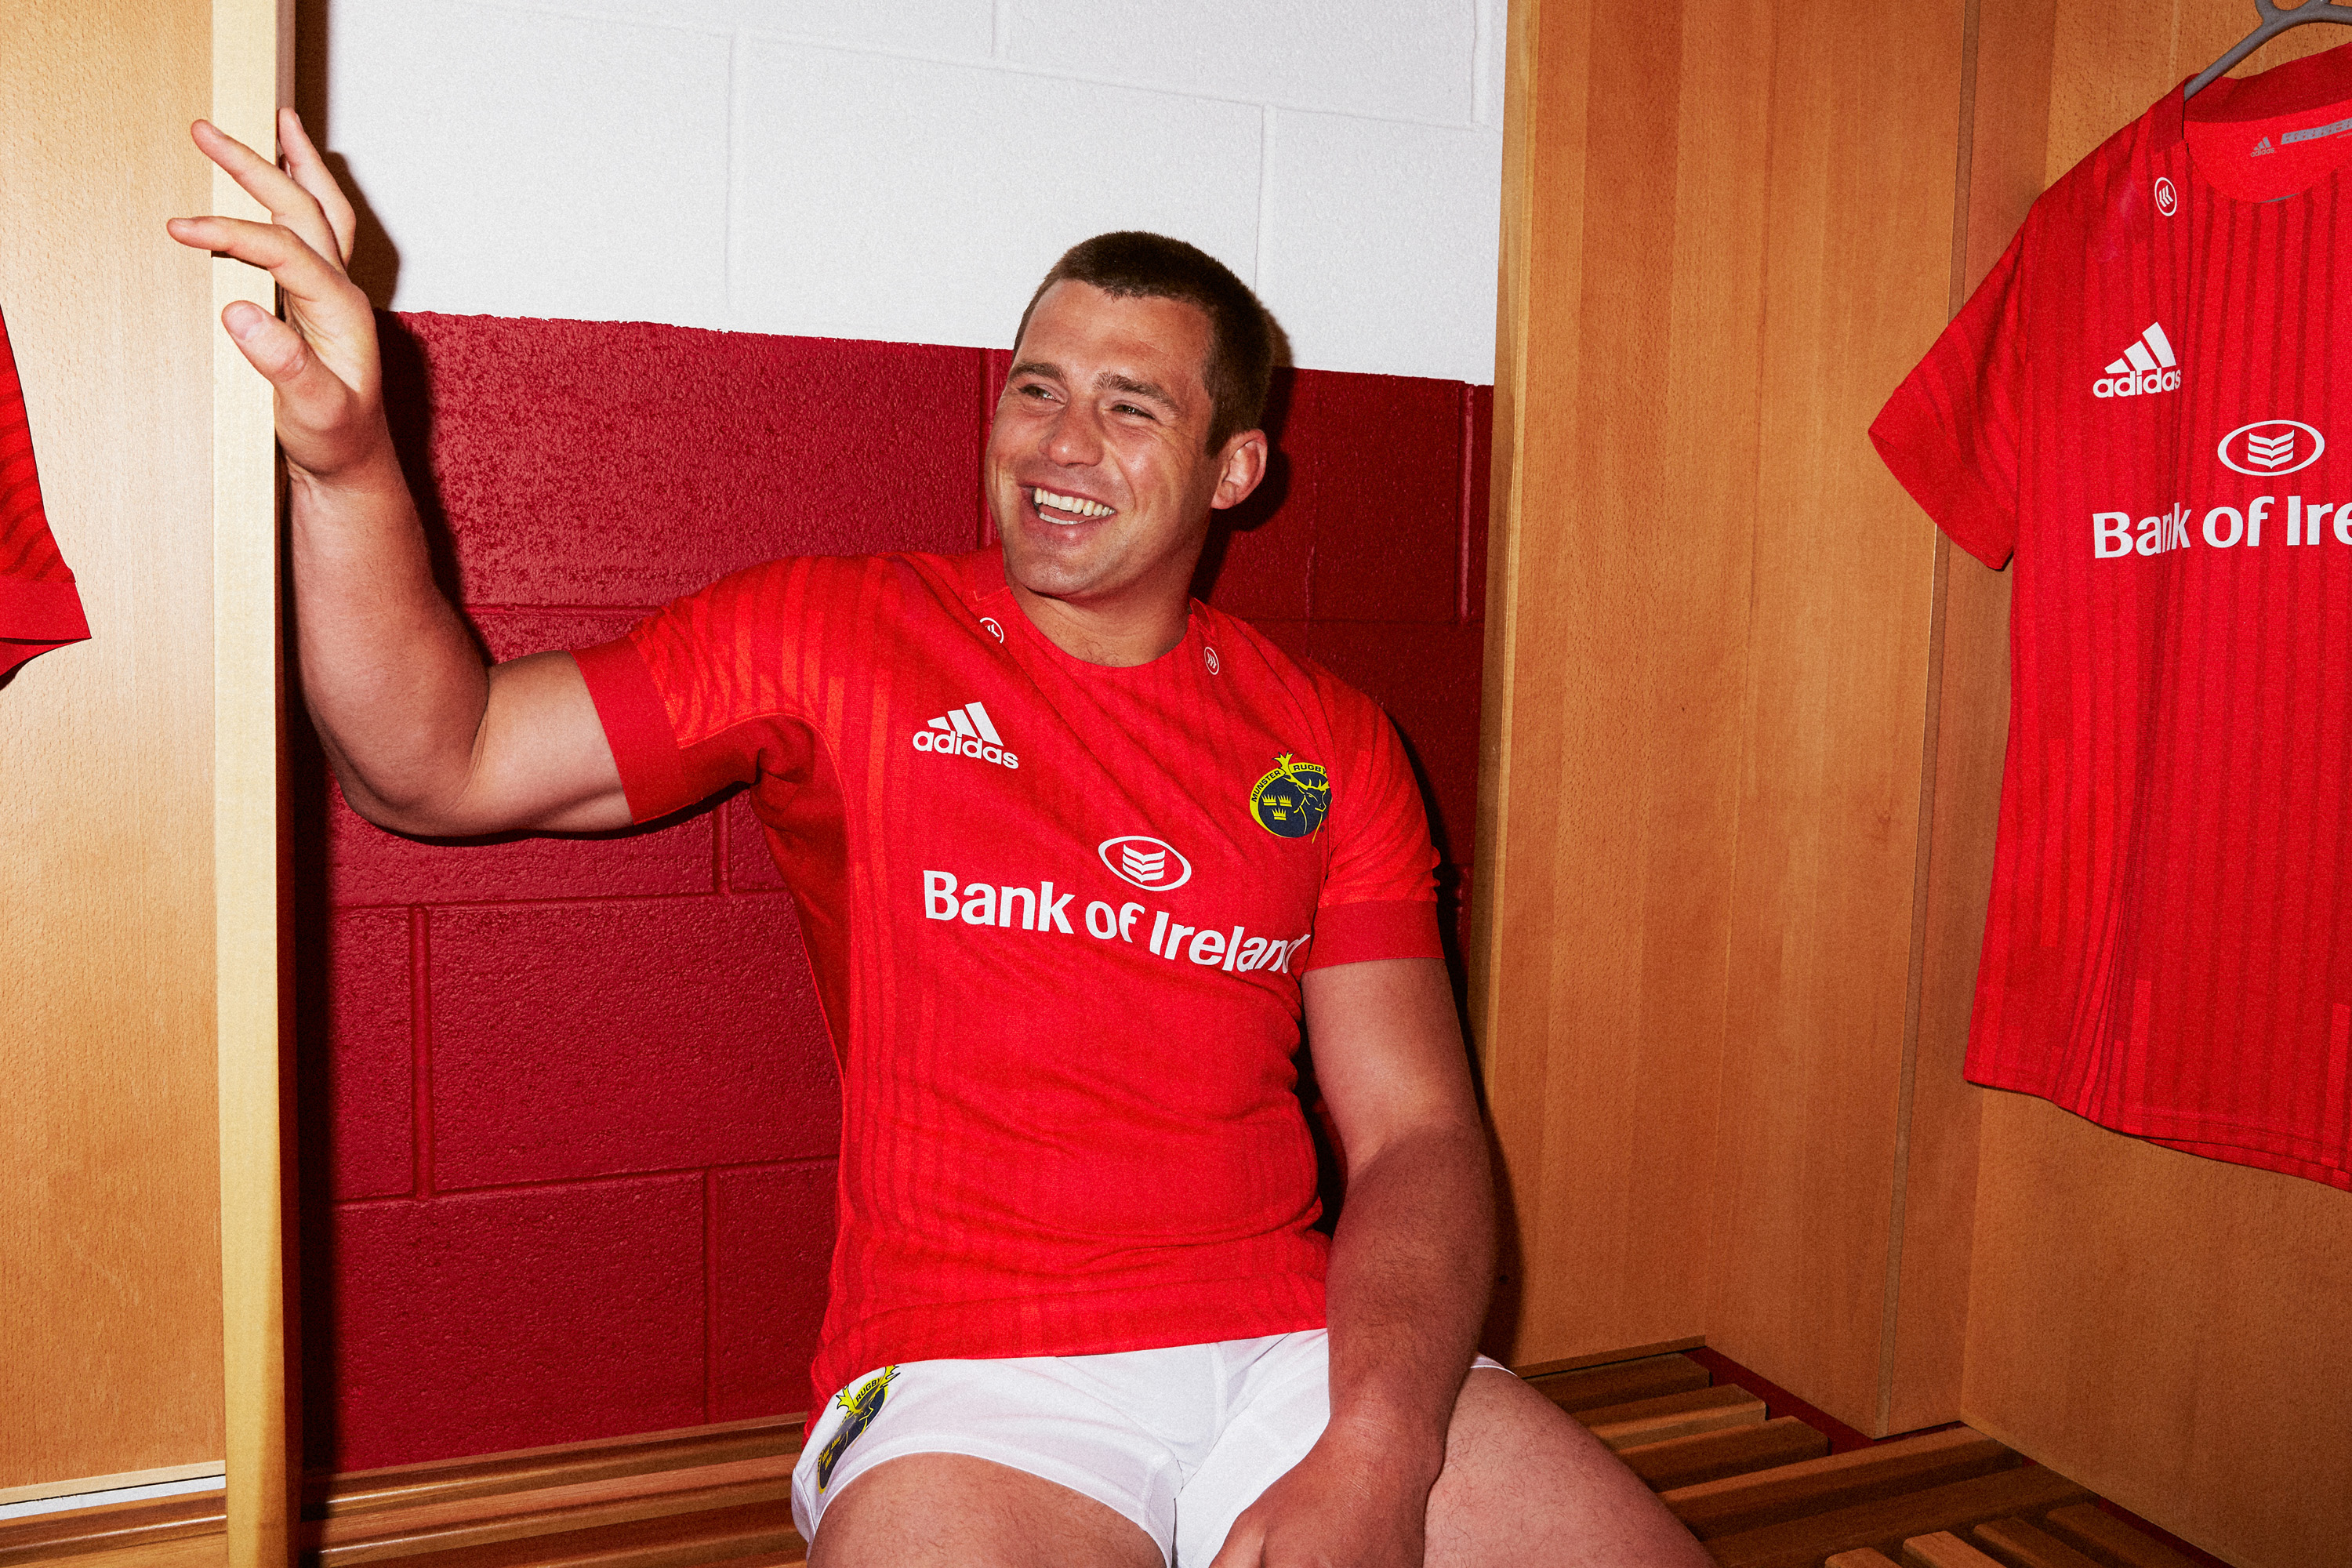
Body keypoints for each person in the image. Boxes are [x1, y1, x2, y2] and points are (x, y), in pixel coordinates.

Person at [170, 110, 1710, 1568]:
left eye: (1133, 404)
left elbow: (1420, 1137)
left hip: (1297, 1354)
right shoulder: (839, 637)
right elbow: (434, 762)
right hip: (977, 1388)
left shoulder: (1331, 740)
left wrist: (1372, 1454)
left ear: (1237, 469)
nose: (1062, 440)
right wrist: (350, 462)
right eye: (1036, 385)